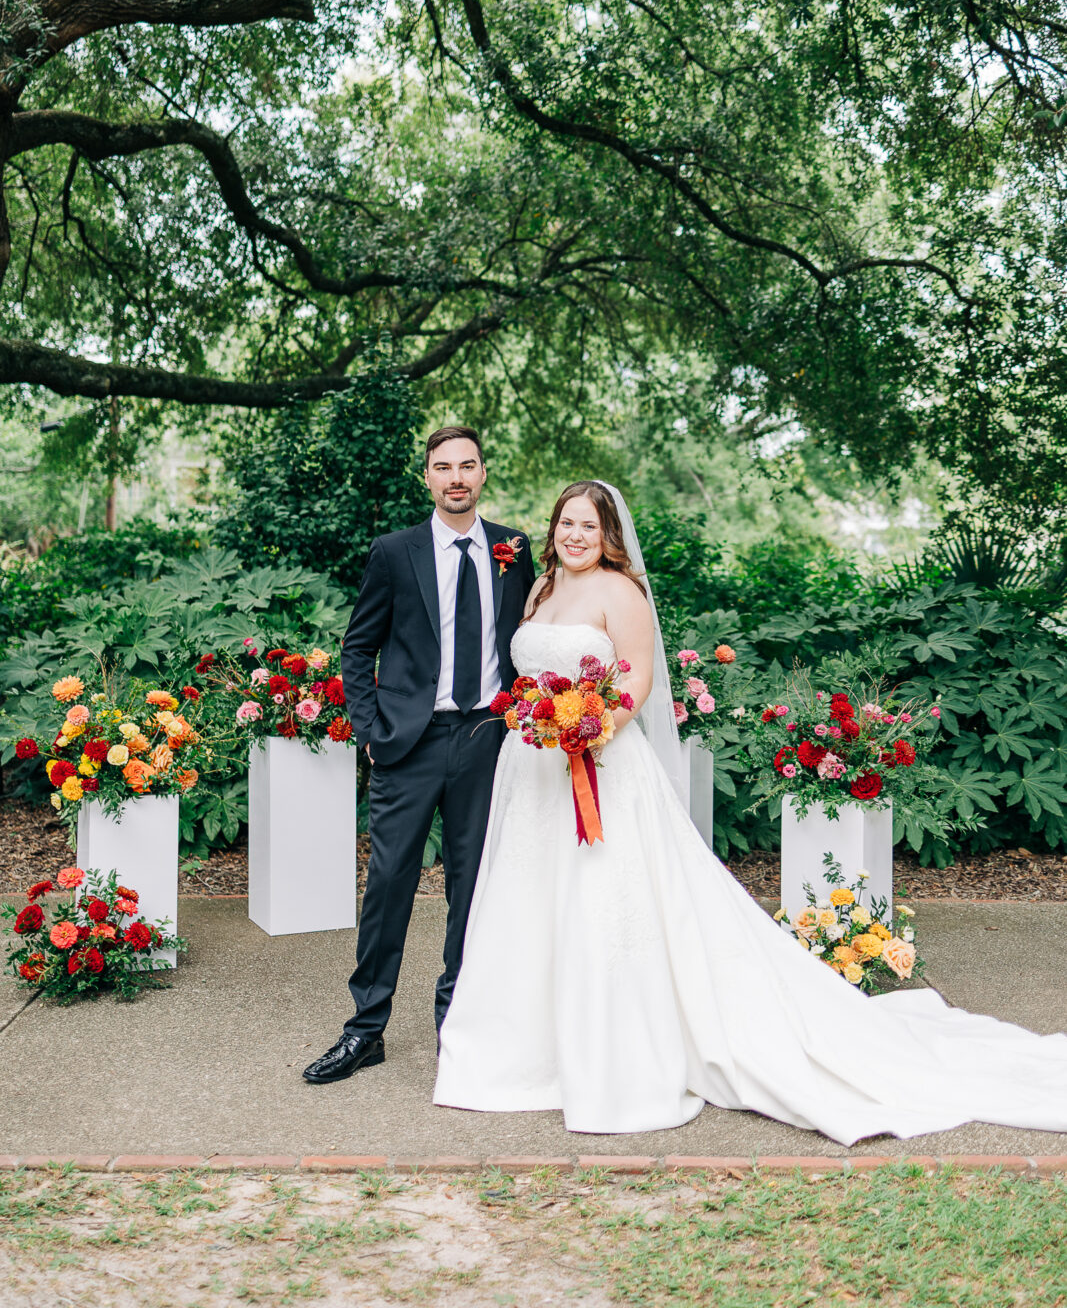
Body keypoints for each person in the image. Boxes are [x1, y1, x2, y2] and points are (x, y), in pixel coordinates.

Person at [434, 480, 1067, 1140]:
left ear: (608, 536)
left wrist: (589, 729)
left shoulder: (621, 593)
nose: (574, 536)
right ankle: (524, 1050)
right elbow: (528, 676)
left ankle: (611, 1052)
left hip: (598, 762)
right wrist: (539, 723)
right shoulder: (539, 590)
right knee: (528, 900)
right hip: (531, 767)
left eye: (588, 528)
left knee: (599, 899)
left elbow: (637, 679)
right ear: (553, 527)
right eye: (566, 523)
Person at [303, 426, 536, 1084]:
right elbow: (357, 647)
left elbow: (527, 637)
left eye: (466, 465)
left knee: (473, 889)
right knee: (387, 887)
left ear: (483, 473)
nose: (455, 477)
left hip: (488, 739)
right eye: (442, 467)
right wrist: (372, 729)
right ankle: (365, 1028)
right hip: (409, 742)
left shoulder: (512, 550)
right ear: (426, 478)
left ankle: (455, 1025)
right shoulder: (394, 552)